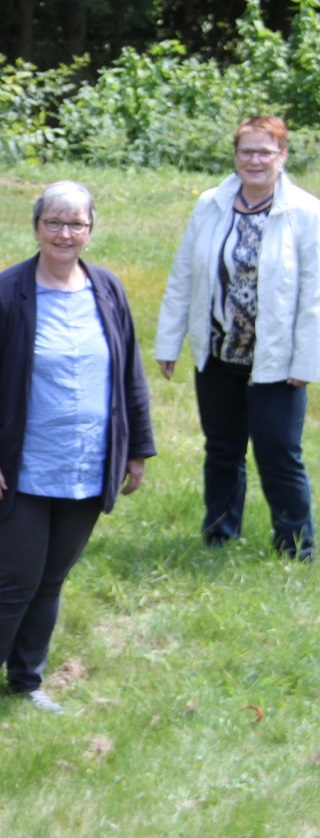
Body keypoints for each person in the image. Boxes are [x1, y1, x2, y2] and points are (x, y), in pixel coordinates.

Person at [0, 181, 156, 712]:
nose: (65, 234)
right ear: (37, 227)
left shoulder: (107, 289)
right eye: (54, 223)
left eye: (77, 224)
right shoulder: (2, 296)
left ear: (91, 230)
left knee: (49, 580)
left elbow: (129, 372)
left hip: (86, 465)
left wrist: (136, 449)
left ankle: (26, 684)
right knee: (14, 577)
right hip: (16, 467)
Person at [155, 116, 320, 559]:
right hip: (218, 352)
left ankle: (297, 547)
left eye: (265, 151)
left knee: (279, 453)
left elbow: (314, 297)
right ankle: (219, 535)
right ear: (235, 155)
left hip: (277, 362)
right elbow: (184, 275)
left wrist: (306, 364)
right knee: (223, 449)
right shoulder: (211, 204)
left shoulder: (306, 213)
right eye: (246, 151)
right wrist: (169, 343)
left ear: (282, 156)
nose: (255, 160)